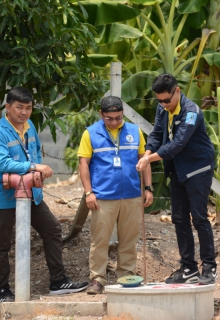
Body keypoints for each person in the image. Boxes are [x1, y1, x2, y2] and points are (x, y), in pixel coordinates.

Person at [0, 86, 88, 302]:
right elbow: (2, 163)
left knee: (52, 229)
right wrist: (34, 167)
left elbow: (35, 150)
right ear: (8, 107)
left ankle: (58, 282)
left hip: (31, 193)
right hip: (4, 196)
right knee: (2, 244)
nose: (24, 112)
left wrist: (34, 169)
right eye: (19, 107)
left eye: (28, 108)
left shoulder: (29, 125)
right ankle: (2, 290)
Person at [135, 73, 217, 285]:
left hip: (197, 169)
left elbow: (177, 144)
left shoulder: (191, 113)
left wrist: (149, 160)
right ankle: (188, 268)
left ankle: (209, 267)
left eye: (167, 100)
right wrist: (147, 153)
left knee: (199, 217)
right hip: (178, 171)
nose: (163, 105)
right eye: (159, 101)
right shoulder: (162, 108)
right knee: (179, 218)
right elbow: (156, 134)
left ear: (177, 91)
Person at [78, 95, 153, 294]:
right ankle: (97, 279)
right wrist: (88, 193)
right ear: (101, 114)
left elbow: (144, 161)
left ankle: (127, 278)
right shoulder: (90, 133)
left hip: (130, 195)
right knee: (100, 240)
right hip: (102, 197)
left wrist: (148, 188)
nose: (114, 122)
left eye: (118, 117)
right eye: (109, 118)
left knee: (129, 239)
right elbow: (83, 164)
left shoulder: (135, 131)